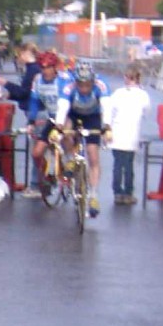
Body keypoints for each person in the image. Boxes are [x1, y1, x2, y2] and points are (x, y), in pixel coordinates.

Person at [53, 62, 112, 217]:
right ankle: (71, 158)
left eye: (87, 85)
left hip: (93, 117)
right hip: (73, 114)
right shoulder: (68, 87)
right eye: (81, 85)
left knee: (93, 155)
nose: (84, 88)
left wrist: (107, 128)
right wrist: (58, 128)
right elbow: (63, 107)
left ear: (93, 81)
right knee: (66, 130)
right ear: (76, 82)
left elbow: (107, 107)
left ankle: (93, 195)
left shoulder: (101, 85)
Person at [22, 50, 71, 198]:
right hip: (52, 118)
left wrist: (61, 126)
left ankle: (70, 164)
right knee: (37, 152)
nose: (45, 71)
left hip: (68, 115)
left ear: (55, 67)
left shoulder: (64, 79)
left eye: (48, 67)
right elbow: (35, 101)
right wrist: (31, 121)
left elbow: (66, 103)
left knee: (67, 137)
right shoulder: (38, 81)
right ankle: (46, 177)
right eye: (42, 68)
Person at [104, 64, 150, 205]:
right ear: (138, 78)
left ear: (126, 77)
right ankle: (128, 194)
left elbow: (108, 111)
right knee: (129, 165)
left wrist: (107, 127)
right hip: (132, 135)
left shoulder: (118, 93)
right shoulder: (143, 95)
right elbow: (147, 113)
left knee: (118, 164)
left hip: (116, 134)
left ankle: (117, 193)